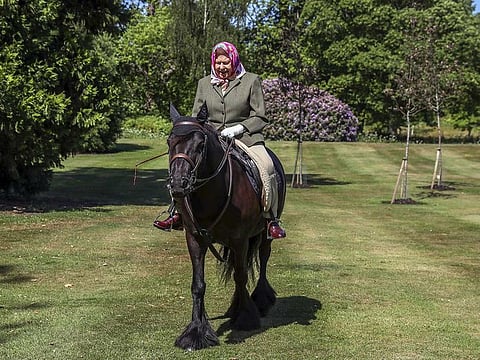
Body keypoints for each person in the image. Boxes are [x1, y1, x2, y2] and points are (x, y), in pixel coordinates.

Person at [154, 41, 286, 239]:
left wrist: (239, 128)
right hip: (212, 138)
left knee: (267, 167)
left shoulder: (251, 81)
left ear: (234, 61)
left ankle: (270, 219)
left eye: (226, 63)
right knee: (183, 167)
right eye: (218, 63)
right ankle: (178, 213)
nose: (222, 67)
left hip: (246, 137)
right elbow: (198, 116)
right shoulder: (204, 84)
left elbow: (260, 116)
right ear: (213, 63)